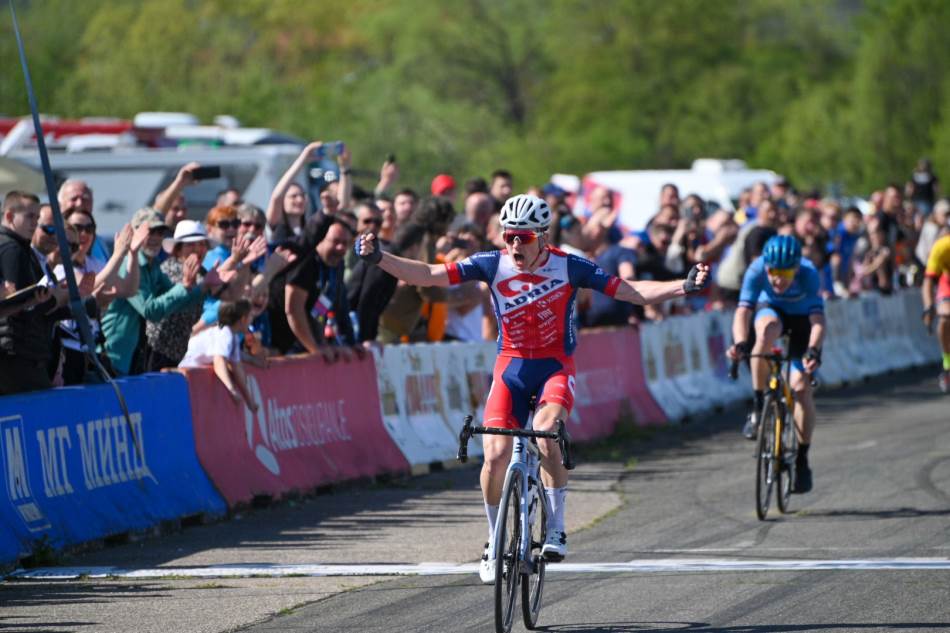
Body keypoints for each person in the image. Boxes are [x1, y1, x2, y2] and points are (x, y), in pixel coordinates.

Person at [354, 193, 708, 582]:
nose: (514, 245)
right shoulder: (492, 263)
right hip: (511, 368)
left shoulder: (570, 266)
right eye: (508, 236)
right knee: (494, 454)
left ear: (542, 236)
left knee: (545, 436)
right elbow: (428, 274)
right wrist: (379, 258)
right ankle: (493, 540)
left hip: (555, 365)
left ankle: (556, 526)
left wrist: (682, 286)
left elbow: (627, 290)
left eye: (522, 237)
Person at [727, 235, 825, 494]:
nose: (777, 279)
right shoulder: (756, 269)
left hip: (803, 321)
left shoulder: (809, 274)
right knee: (766, 331)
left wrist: (813, 350)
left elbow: (817, 321)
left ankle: (802, 459)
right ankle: (759, 406)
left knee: (801, 389)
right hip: (772, 312)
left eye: (784, 273)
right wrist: (739, 343)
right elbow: (742, 312)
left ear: (795, 268)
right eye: (773, 272)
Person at [178, 299, 258, 412]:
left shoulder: (233, 336)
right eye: (250, 317)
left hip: (192, 380)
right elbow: (219, 361)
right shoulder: (225, 334)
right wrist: (231, 389)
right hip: (184, 379)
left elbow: (237, 367)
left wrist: (250, 401)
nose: (252, 320)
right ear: (243, 319)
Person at [921, 232, 950, 392]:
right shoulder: (942, 246)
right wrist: (929, 306)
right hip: (948, 284)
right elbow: (928, 281)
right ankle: (948, 362)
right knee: (945, 316)